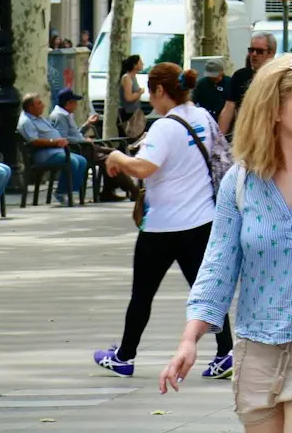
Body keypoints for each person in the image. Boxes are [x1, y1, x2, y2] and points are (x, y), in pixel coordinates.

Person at [157, 54, 292, 432]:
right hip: (256, 353)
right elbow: (218, 265)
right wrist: (189, 340)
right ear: (275, 110)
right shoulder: (241, 181)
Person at [94, 63, 235, 378]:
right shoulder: (202, 116)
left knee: (142, 294)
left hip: (163, 227)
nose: (149, 97)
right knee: (206, 290)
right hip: (201, 222)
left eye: (150, 90)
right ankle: (226, 352)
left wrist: (116, 157)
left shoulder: (165, 126)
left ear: (160, 91)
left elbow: (144, 167)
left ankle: (125, 356)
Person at [19, 92, 87, 206]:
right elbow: (34, 141)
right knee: (72, 161)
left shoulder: (39, 118)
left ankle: (68, 191)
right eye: (39, 103)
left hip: (57, 150)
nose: (43, 105)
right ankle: (61, 192)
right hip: (44, 155)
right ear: (30, 107)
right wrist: (54, 142)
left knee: (82, 161)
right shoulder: (26, 121)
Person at [221, 33, 279, 136]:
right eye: (251, 50)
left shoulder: (279, 77)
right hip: (244, 135)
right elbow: (229, 107)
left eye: (260, 51)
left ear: (272, 53)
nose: (254, 54)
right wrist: (219, 138)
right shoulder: (240, 76)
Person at [117, 54, 149, 139]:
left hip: (134, 113)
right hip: (127, 114)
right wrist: (140, 93)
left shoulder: (133, 77)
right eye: (140, 63)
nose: (143, 64)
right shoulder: (127, 78)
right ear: (135, 65)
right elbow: (129, 97)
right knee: (128, 140)